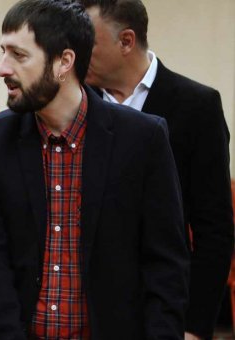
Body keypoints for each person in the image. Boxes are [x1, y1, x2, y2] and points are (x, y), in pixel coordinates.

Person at [0, 0, 190, 338]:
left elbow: (166, 263)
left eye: (19, 55)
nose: (2, 69)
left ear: (64, 62)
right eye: (3, 52)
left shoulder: (143, 138)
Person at [76, 1, 234, 338]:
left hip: (165, 309)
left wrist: (195, 326)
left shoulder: (196, 106)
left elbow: (214, 229)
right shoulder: (77, 104)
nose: (76, 53)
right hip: (87, 312)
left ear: (127, 41)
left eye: (88, 43)